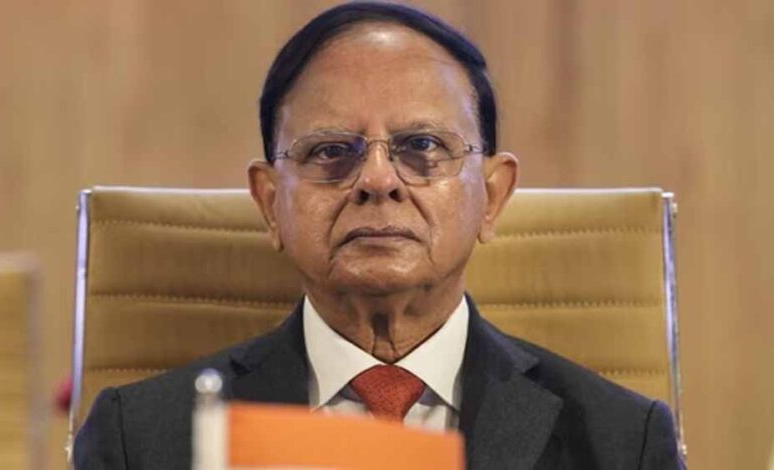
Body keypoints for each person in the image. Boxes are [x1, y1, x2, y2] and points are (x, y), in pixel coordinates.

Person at [73, 2, 685, 469]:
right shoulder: (139, 438)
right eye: (331, 151)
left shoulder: (621, 442)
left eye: (422, 146)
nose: (377, 180)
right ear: (270, 202)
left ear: (493, 195)